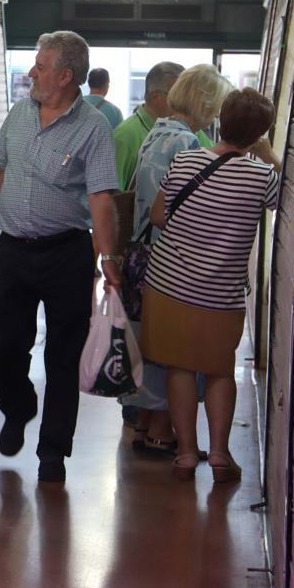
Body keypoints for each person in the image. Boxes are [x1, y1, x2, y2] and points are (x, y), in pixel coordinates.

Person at [0, 31, 120, 484]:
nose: (32, 72)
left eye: (40, 65)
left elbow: (101, 198)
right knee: (7, 345)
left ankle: (53, 450)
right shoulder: (19, 114)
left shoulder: (93, 128)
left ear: (65, 75)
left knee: (63, 355)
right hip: (13, 250)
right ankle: (18, 408)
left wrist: (108, 257)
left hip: (66, 254)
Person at [143, 88, 281, 482]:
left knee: (180, 368)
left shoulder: (186, 161)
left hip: (168, 286)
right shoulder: (261, 177)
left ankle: (186, 454)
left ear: (220, 119)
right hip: (219, 294)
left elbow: (156, 216)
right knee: (219, 370)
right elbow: (287, 199)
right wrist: (268, 156)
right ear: (258, 134)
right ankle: (219, 453)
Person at [123, 64, 233, 454]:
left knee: (151, 345)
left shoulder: (159, 131)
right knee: (172, 352)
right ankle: (161, 432)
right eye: (216, 104)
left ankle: (147, 427)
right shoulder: (186, 144)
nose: (217, 113)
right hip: (169, 261)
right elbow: (180, 212)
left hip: (143, 255)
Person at [114, 62, 212, 190]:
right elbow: (112, 197)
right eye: (178, 95)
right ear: (156, 96)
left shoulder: (192, 129)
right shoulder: (125, 136)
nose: (186, 102)